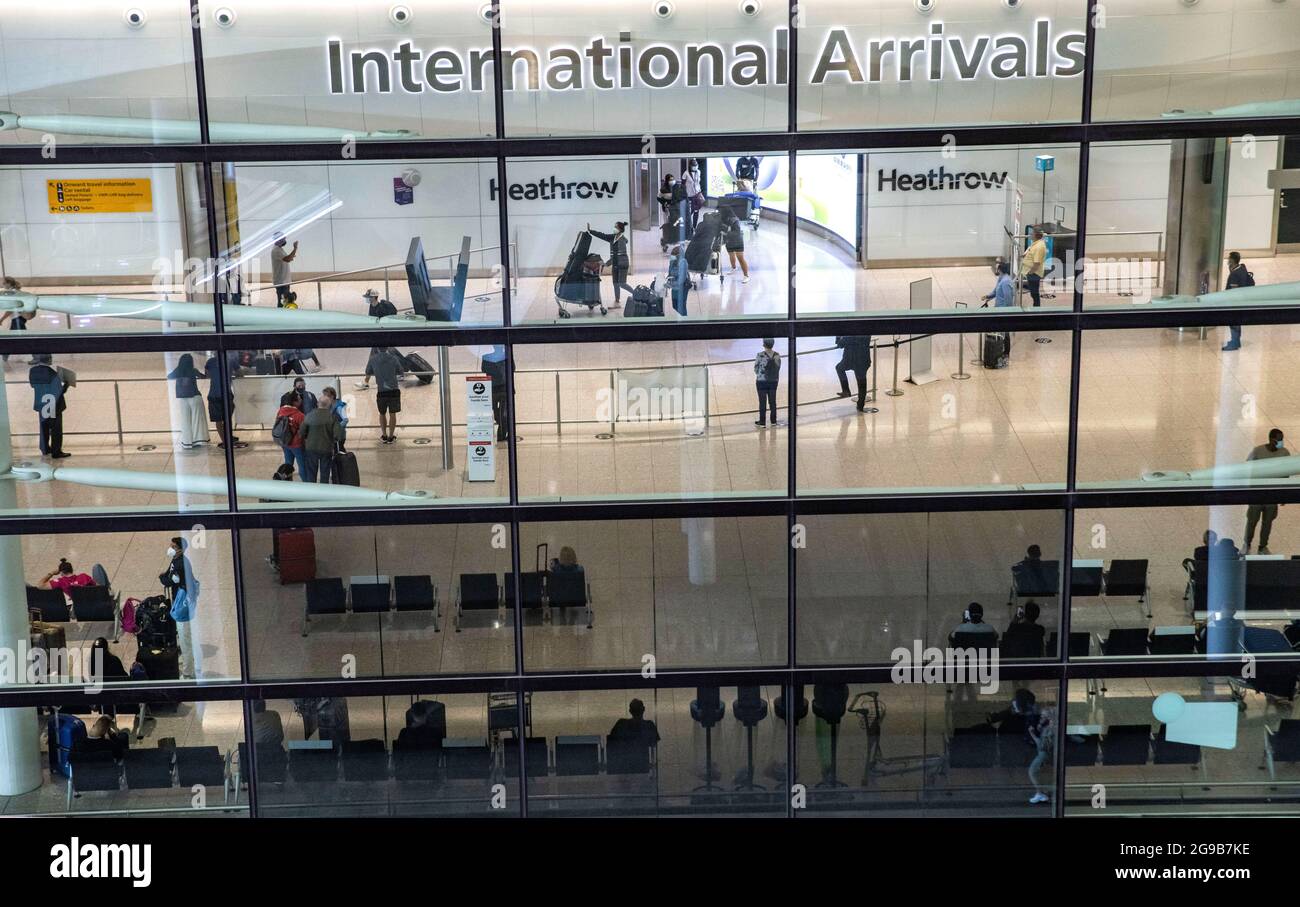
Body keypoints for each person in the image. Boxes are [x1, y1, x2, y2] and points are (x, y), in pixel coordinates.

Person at [160, 536, 200, 679]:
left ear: (180, 550)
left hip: (183, 606)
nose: (170, 548)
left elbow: (170, 580)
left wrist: (164, 579)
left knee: (185, 639)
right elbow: (169, 576)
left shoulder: (181, 564)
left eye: (173, 547)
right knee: (184, 637)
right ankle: (189, 664)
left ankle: (188, 672)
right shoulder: (177, 560)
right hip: (181, 602)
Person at [1245, 428, 1290, 553]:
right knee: (1252, 521)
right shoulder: (1257, 451)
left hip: (1272, 495)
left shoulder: (1284, 453)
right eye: (1279, 439)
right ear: (1271, 439)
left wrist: (1283, 495)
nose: (1281, 442)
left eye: (1282, 439)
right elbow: (1247, 469)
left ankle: (1262, 546)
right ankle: (1247, 543)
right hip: (1257, 494)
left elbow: (1286, 474)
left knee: (1268, 522)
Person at [28, 353, 73, 459]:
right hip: (53, 404)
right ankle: (56, 451)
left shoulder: (33, 371)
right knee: (56, 429)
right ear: (48, 360)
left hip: (41, 403)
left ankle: (44, 449)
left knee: (43, 427)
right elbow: (58, 391)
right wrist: (66, 384)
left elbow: (32, 385)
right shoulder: (52, 373)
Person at [300, 387, 344, 483]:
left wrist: (307, 438)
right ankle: (323, 491)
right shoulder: (332, 417)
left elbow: (301, 432)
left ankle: (312, 491)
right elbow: (338, 435)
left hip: (311, 448)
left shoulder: (309, 415)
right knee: (325, 472)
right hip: (326, 449)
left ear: (317, 403)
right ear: (329, 405)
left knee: (311, 472)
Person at [167, 353, 210, 449]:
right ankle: (199, 440)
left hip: (182, 399)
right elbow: (203, 377)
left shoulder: (178, 371)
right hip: (194, 396)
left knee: (185, 421)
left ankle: (187, 442)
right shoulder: (193, 370)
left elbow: (169, 376)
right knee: (197, 420)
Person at [587, 221, 634, 308]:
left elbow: (617, 256)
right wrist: (591, 231)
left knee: (621, 283)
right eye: (614, 226)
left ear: (620, 229)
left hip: (622, 264)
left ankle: (635, 293)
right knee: (615, 283)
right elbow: (602, 235)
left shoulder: (622, 241)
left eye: (616, 227)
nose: (614, 228)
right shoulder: (613, 238)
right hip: (616, 263)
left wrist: (606, 264)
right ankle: (617, 299)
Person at [206, 350, 245, 449]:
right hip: (226, 394)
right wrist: (230, 376)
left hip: (214, 394)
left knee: (218, 420)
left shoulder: (210, 362)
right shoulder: (231, 361)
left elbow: (207, 375)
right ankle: (227, 438)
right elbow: (240, 373)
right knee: (227, 418)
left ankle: (225, 441)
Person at [365, 346, 405, 444]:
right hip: (394, 390)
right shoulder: (393, 358)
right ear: (387, 347)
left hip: (381, 391)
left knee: (382, 413)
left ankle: (384, 435)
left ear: (377, 348)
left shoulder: (373, 359)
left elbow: (368, 372)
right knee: (393, 414)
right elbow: (401, 371)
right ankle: (391, 436)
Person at [1221, 251, 1255, 351]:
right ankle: (1237, 341)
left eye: (1229, 259)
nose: (1227, 261)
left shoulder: (1234, 275)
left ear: (1232, 260)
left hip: (1235, 302)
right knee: (1237, 321)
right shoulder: (1242, 268)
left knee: (1233, 321)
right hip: (1242, 299)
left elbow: (1233, 291)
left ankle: (1234, 342)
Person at [834, 335, 873, 412]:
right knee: (862, 382)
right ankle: (860, 405)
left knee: (839, 368)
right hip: (864, 360)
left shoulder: (851, 333)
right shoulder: (867, 330)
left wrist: (838, 336)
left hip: (850, 360)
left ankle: (846, 390)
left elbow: (840, 344)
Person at [481, 345, 511, 442]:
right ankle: (501, 433)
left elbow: (483, 369)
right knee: (504, 412)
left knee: (497, 412)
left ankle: (501, 433)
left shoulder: (487, 356)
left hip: (493, 388)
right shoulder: (506, 355)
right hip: (505, 388)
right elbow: (512, 368)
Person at [274, 391, 308, 477]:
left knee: (288, 464)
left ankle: (286, 481)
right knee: (303, 466)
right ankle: (306, 485)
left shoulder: (281, 411)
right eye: (299, 399)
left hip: (285, 442)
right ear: (294, 402)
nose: (301, 400)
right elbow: (305, 431)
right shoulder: (300, 415)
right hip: (297, 445)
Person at [753, 337, 780, 428]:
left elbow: (756, 369)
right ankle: (773, 421)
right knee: (772, 401)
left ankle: (762, 422)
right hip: (773, 381)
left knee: (762, 402)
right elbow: (778, 368)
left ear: (764, 344)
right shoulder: (777, 355)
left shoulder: (760, 355)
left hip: (761, 382)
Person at [0, 277, 28, 362]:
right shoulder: (14, 292)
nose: (2, 285)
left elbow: (10, 309)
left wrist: (2, 319)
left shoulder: (12, 293)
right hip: (19, 318)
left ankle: (5, 355)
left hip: (17, 319)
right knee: (24, 338)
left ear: (9, 283)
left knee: (14, 339)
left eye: (4, 283)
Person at [1020, 228, 1048, 307]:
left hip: (1034, 273)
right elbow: (1030, 249)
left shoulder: (1039, 247)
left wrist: (1030, 272)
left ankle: (1036, 309)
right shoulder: (1036, 243)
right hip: (1032, 273)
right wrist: (1025, 254)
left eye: (1032, 233)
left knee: (1034, 294)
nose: (1030, 235)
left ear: (1036, 235)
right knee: (1033, 293)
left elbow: (1036, 263)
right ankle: (1036, 307)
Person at [270, 232, 298, 307]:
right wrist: (295, 248)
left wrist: (291, 257)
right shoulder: (276, 250)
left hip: (284, 281)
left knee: (285, 301)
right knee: (283, 302)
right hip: (281, 282)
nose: (285, 240)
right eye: (283, 239)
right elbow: (288, 259)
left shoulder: (279, 249)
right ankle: (281, 316)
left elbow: (287, 258)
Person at [722, 209, 749, 283]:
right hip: (729, 241)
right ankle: (733, 268)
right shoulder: (724, 219)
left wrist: (726, 233)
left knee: (740, 258)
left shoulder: (735, 220)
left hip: (737, 241)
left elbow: (736, 232)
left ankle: (746, 275)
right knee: (731, 255)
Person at [667, 244, 691, 317]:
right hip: (675, 287)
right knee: (674, 305)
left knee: (681, 307)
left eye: (674, 255)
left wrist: (670, 284)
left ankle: (685, 321)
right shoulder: (673, 262)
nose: (672, 257)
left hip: (682, 287)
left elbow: (681, 280)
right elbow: (670, 273)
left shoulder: (683, 263)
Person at [682, 158, 704, 229]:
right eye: (693, 165)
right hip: (689, 195)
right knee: (689, 212)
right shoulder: (686, 173)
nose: (695, 167)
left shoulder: (699, 172)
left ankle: (694, 227)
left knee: (696, 211)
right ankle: (686, 226)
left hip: (697, 194)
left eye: (696, 165)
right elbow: (683, 185)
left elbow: (698, 183)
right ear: (690, 166)